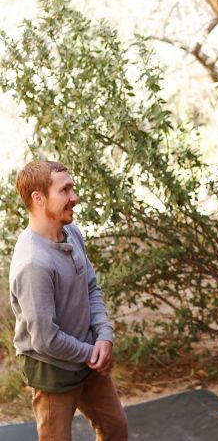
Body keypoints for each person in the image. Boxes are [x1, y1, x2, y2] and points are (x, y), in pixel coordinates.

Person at [8, 160, 128, 440]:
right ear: (39, 199)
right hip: (53, 369)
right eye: (65, 190)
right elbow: (45, 339)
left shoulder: (71, 232)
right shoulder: (33, 263)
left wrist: (104, 337)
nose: (74, 197)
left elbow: (91, 287)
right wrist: (91, 354)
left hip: (90, 358)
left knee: (115, 428)